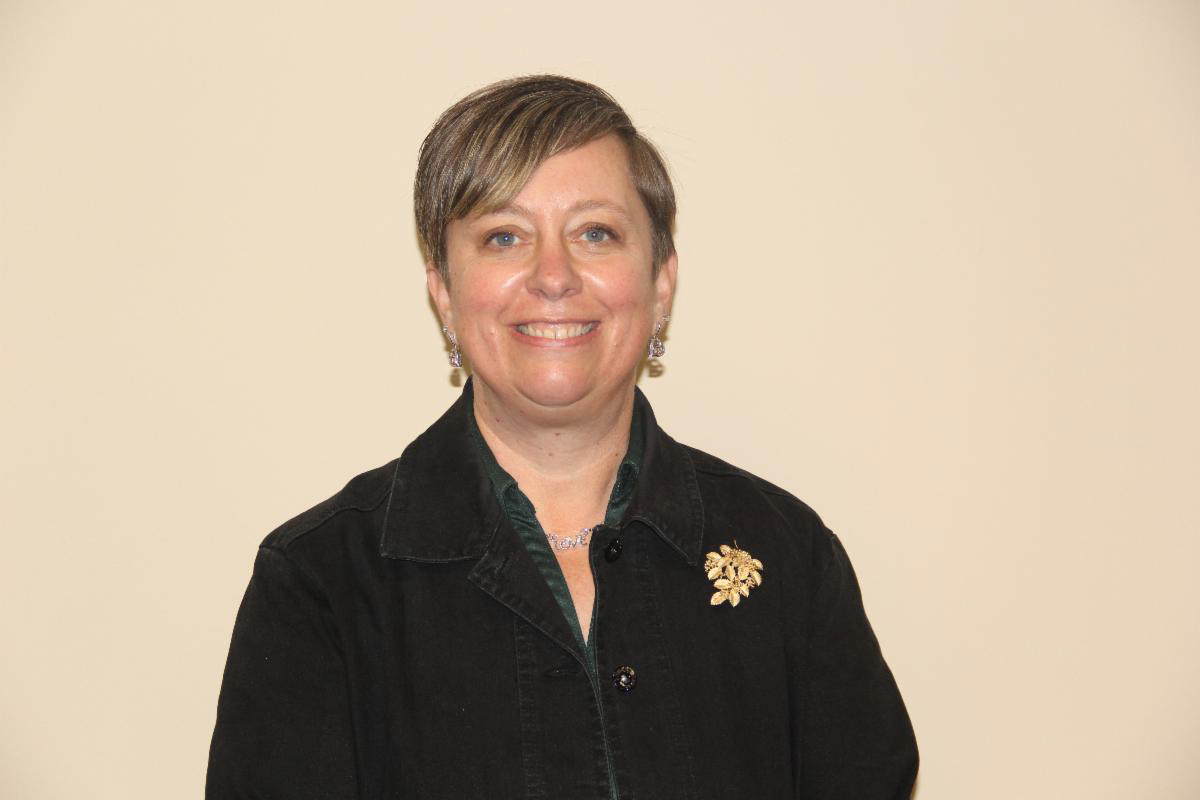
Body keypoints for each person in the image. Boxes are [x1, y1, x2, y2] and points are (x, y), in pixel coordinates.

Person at [206, 74, 918, 799]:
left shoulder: (788, 559)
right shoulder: (321, 585)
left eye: (596, 233)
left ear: (661, 283)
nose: (554, 276)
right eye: (504, 236)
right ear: (445, 292)